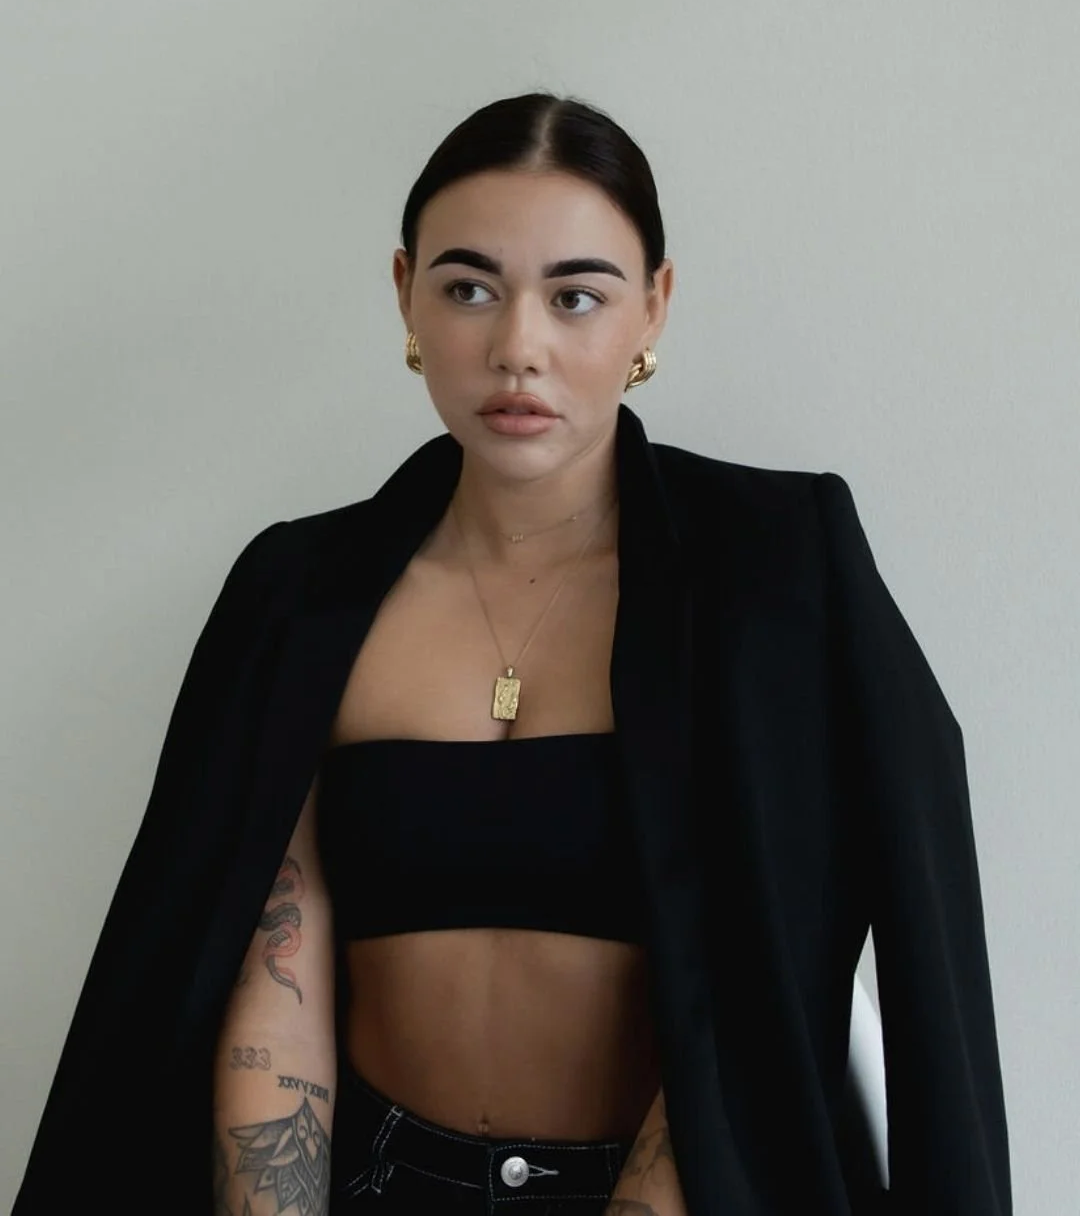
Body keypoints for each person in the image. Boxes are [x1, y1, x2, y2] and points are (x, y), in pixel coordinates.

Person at [13, 93, 1012, 1216]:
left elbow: (796, 953)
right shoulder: (297, 594)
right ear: (406, 296)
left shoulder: (774, 573)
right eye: (469, 288)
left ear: (654, 311)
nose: (516, 347)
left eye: (576, 295)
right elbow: (269, 962)